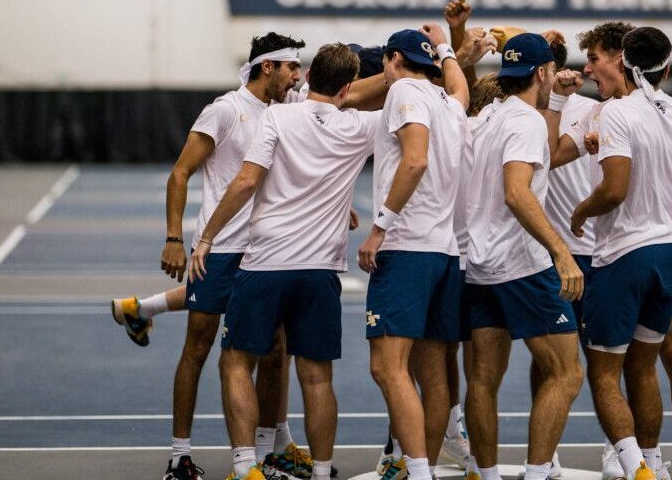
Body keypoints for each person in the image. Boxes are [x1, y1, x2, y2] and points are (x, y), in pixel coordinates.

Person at [110, 32, 308, 480]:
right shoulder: (225, 110)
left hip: (268, 252)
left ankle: (262, 456)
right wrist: (174, 237)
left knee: (275, 349)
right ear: (268, 67)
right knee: (198, 347)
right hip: (218, 251)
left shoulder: (288, 110)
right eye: (292, 68)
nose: (298, 76)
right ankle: (179, 455)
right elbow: (180, 173)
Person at [190, 43, 383, 480]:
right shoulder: (362, 127)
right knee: (317, 378)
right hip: (320, 269)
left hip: (265, 263)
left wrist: (206, 237)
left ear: (310, 75)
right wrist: (453, 53)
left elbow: (245, 181)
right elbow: (405, 92)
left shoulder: (277, 116)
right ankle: (321, 470)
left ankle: (245, 466)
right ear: (348, 86)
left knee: (236, 361)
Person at [552, 23, 672, 480]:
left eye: (597, 59)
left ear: (623, 62)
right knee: (645, 370)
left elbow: (614, 191)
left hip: (623, 256)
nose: (589, 68)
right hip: (668, 254)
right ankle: (656, 463)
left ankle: (636, 466)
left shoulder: (617, 114)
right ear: (667, 67)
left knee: (602, 373)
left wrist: (580, 213)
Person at [462, 33, 585, 480]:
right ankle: (536, 474)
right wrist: (561, 252)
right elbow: (517, 193)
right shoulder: (525, 121)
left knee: (483, 380)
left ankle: (488, 474)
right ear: (541, 73)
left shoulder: (485, 117)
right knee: (567, 373)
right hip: (522, 264)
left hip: (478, 263)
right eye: (551, 70)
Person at [358, 24, 470, 480]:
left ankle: (418, 470)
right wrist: (446, 47)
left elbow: (416, 159)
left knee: (388, 367)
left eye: (385, 63)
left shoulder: (403, 89)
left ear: (393, 60)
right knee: (434, 373)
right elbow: (460, 85)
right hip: (445, 251)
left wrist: (379, 228)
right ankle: (416, 463)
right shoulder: (448, 101)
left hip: (407, 247)